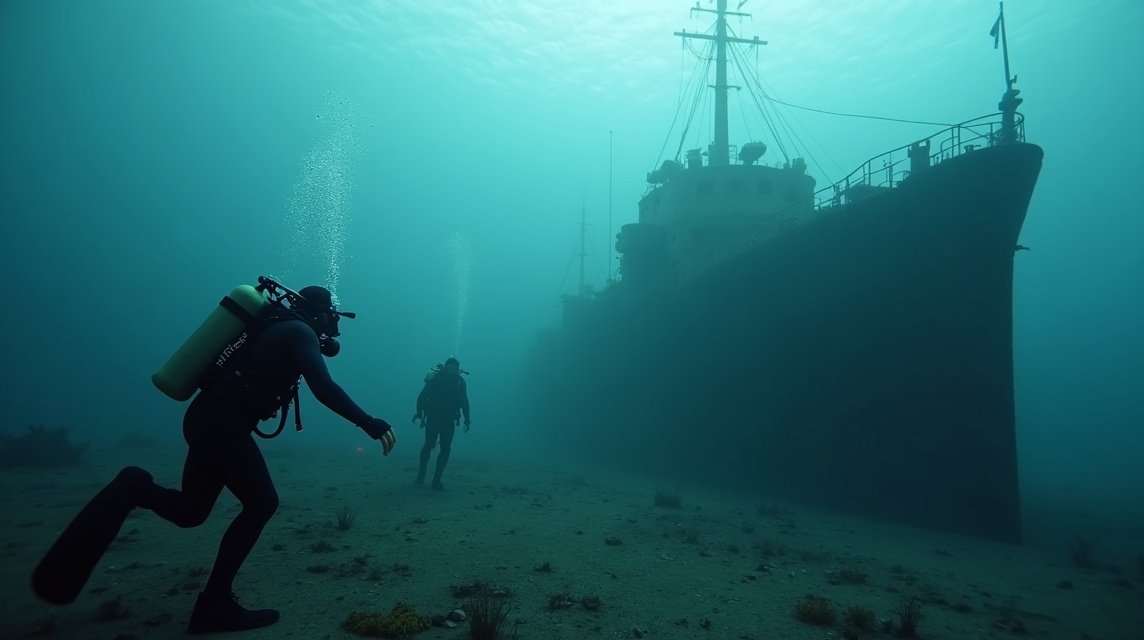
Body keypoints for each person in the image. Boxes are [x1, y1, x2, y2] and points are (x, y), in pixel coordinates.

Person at [31, 284, 397, 634]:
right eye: (331, 317)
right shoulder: (299, 331)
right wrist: (367, 421)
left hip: (208, 419)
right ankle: (214, 604)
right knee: (262, 504)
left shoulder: (276, 325)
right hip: (223, 426)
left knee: (191, 512)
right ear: (316, 312)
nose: (332, 327)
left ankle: (135, 487)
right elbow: (324, 387)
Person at [412, 356, 470, 490]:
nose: (451, 372)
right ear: (445, 368)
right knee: (436, 446)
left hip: (441, 418)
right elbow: (464, 402)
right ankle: (430, 477)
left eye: (453, 369)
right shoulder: (451, 380)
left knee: (438, 446)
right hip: (439, 418)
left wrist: (419, 412)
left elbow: (422, 397)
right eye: (450, 369)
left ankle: (431, 477)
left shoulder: (453, 381)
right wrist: (467, 419)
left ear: (457, 370)